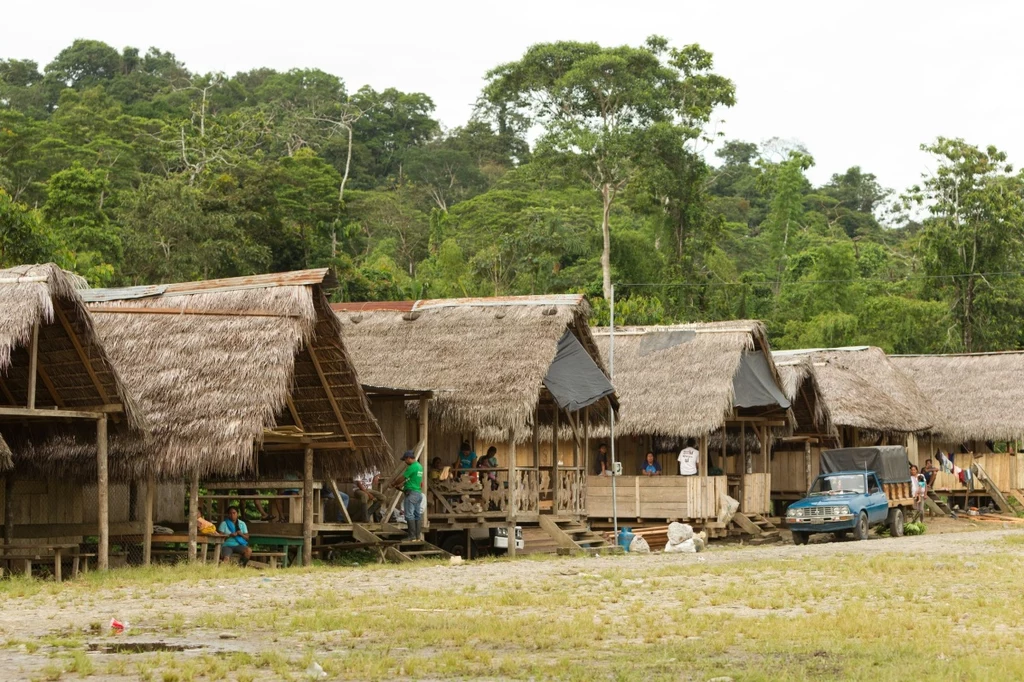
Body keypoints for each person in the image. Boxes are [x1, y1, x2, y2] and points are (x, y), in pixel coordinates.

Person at [393, 450, 424, 541]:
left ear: (409, 458)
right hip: (418, 493)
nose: (405, 462)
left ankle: (411, 536)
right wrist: (402, 485)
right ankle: (417, 536)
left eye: (405, 460)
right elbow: (411, 479)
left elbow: (403, 477)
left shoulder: (411, 467)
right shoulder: (419, 466)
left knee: (409, 515)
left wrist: (394, 483)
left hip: (411, 493)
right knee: (417, 515)